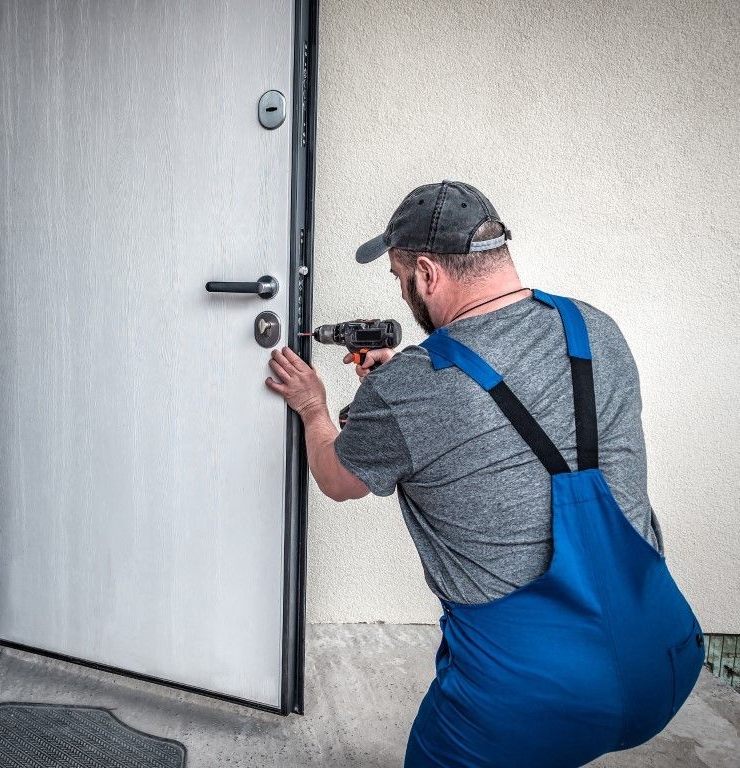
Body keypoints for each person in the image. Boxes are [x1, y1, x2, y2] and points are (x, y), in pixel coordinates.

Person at [264, 180, 705, 767]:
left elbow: (337, 479)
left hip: (527, 700)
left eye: (399, 279)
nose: (403, 293)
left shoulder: (412, 387)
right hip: (667, 658)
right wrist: (400, 398)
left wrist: (315, 407)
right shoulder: (596, 328)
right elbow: (516, 417)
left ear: (427, 273)